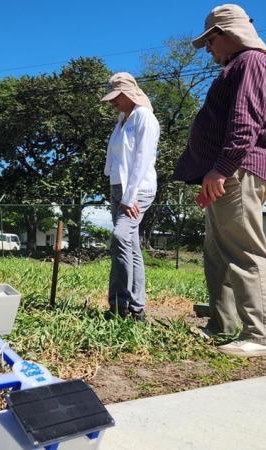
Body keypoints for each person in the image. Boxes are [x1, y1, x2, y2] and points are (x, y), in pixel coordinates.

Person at [173, 4, 266, 357]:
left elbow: (244, 122)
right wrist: (211, 173)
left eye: (210, 39)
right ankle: (224, 324)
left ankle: (263, 336)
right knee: (218, 252)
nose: (207, 48)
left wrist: (221, 169)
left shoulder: (251, 62)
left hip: (238, 169)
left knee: (245, 250)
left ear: (229, 33)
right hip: (224, 171)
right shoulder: (237, 66)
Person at [101, 72, 160, 322]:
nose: (112, 102)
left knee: (120, 238)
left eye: (116, 97)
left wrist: (130, 196)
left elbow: (142, 160)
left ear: (129, 93)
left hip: (137, 189)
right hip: (118, 188)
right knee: (131, 246)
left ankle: (120, 303)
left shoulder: (144, 117)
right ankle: (136, 308)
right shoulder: (122, 118)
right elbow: (115, 156)